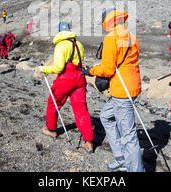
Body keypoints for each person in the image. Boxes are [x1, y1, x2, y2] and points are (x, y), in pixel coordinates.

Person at [82, 9, 145, 172]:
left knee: (129, 135)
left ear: (108, 21)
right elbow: (131, 60)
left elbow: (108, 69)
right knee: (105, 116)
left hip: (122, 90)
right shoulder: (131, 36)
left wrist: (91, 71)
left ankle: (135, 169)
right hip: (132, 86)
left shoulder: (111, 38)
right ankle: (120, 157)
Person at [37, 22, 94, 153]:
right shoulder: (78, 44)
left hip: (66, 79)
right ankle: (88, 141)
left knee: (53, 102)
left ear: (59, 32)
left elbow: (58, 67)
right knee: (81, 109)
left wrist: (43, 68)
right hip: (80, 78)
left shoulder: (60, 45)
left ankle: (51, 130)